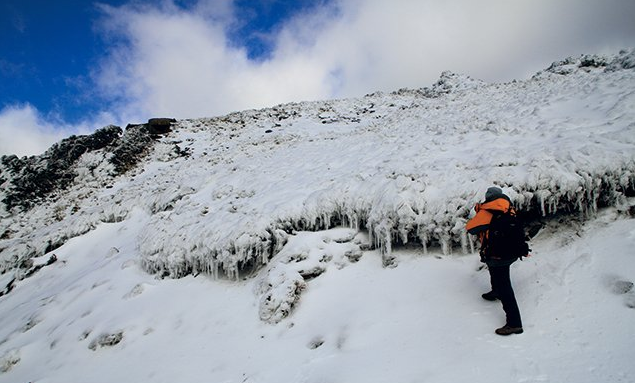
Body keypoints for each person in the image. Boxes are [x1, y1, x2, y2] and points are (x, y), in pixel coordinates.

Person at [466, 186, 523, 335]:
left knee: (506, 288)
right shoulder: (508, 208)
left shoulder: (488, 211)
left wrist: (480, 212)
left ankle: (514, 323)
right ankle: (496, 291)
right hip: (511, 252)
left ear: (488, 197)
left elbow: (471, 228)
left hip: (497, 254)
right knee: (495, 272)